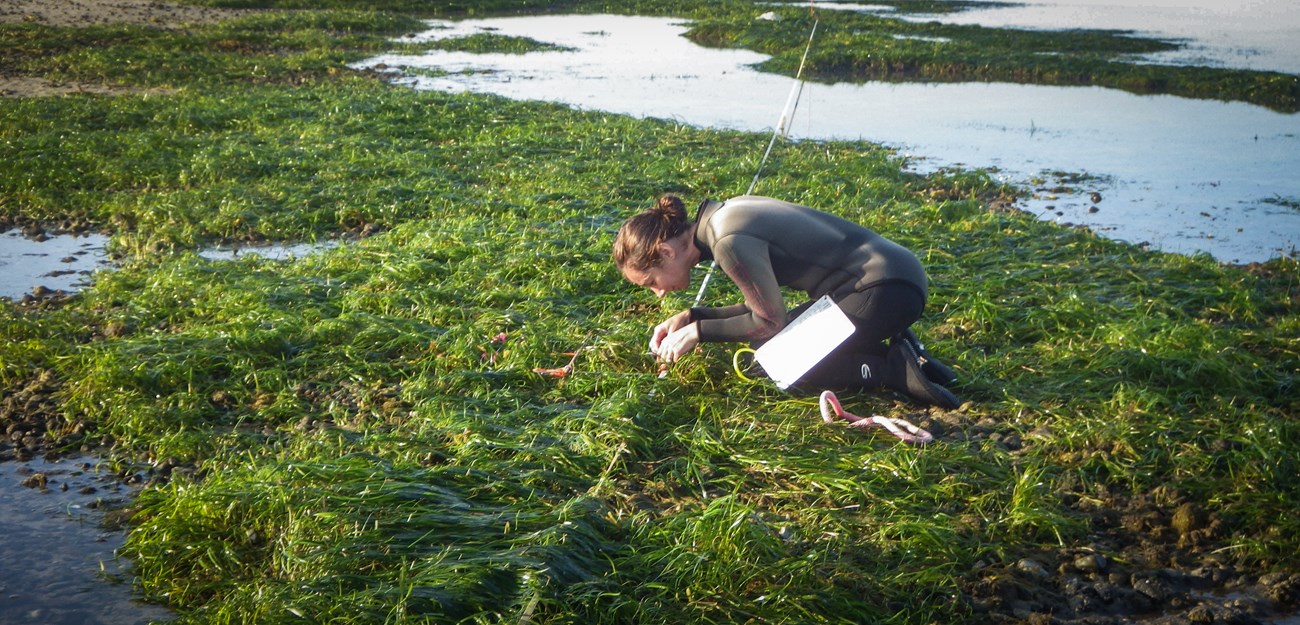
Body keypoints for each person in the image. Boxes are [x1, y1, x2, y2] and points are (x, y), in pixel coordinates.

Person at [612, 193, 961, 409]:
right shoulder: (721, 217)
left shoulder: (728, 241)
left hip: (884, 290)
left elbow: (768, 322)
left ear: (665, 251)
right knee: (773, 347)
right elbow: (763, 309)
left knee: (774, 365)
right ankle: (907, 349)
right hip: (886, 281)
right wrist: (692, 316)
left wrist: (698, 333)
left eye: (651, 282)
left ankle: (893, 369)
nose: (658, 292)